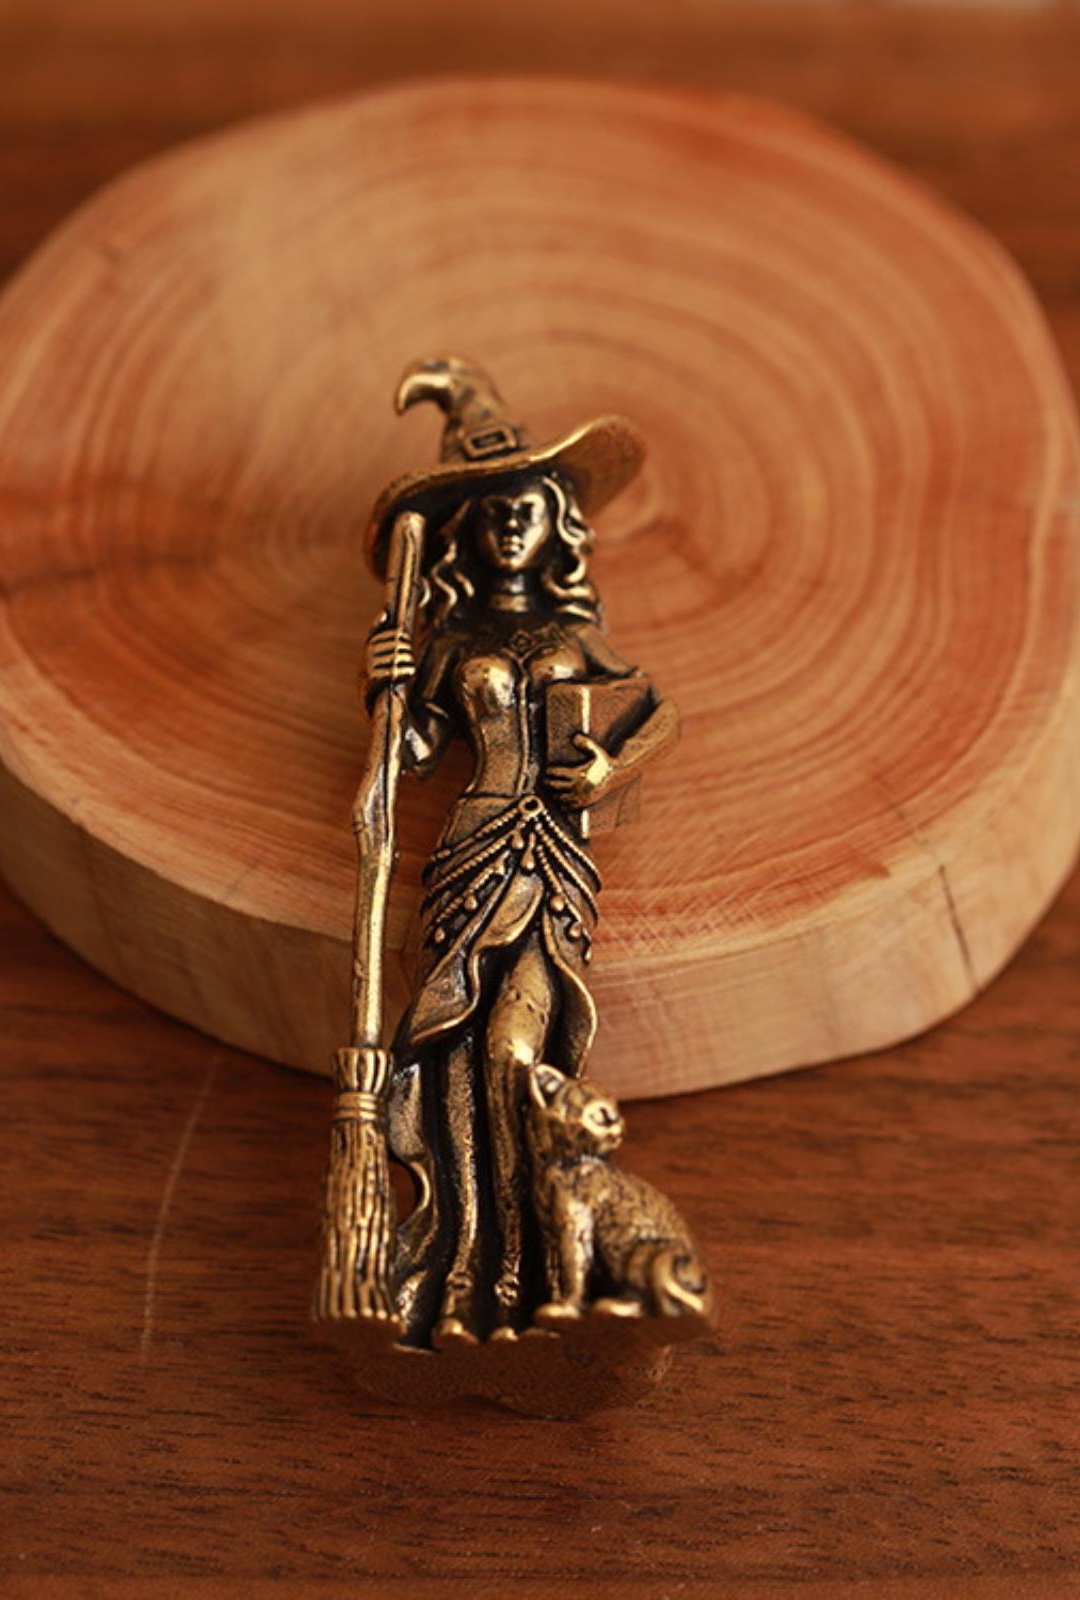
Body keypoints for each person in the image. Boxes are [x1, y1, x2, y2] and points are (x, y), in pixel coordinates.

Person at [361, 358, 679, 1346]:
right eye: (492, 508)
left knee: (517, 1049)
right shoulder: (449, 640)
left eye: (528, 506)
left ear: (557, 522)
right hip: (471, 849)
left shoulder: (574, 630)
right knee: (456, 1050)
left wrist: (608, 768)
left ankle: (531, 1265)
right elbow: (412, 758)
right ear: (466, 528)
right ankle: (463, 1268)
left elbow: (658, 711)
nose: (509, 522)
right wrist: (387, 688)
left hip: (553, 855)